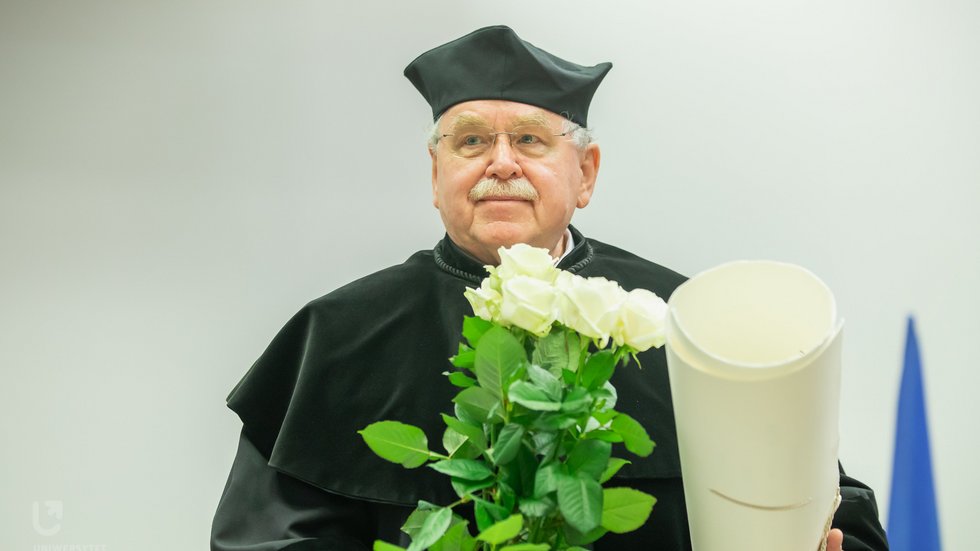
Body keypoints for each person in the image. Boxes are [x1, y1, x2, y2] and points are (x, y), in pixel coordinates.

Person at [211, 25, 888, 550]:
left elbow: (822, 502)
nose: (500, 163)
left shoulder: (685, 322)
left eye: (530, 140)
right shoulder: (338, 334)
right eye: (470, 140)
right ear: (436, 169)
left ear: (585, 173)